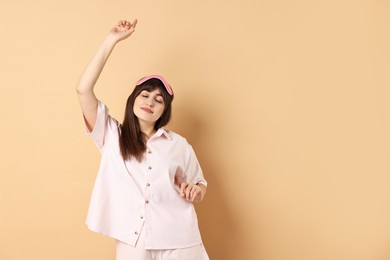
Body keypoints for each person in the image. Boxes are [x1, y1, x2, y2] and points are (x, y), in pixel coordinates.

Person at [76, 19, 209, 260]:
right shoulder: (110, 134)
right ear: (133, 100)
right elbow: (83, 89)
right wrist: (111, 40)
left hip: (180, 238)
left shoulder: (178, 144)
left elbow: (199, 184)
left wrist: (196, 191)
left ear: (164, 111)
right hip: (132, 238)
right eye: (145, 95)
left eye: (159, 100)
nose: (149, 102)